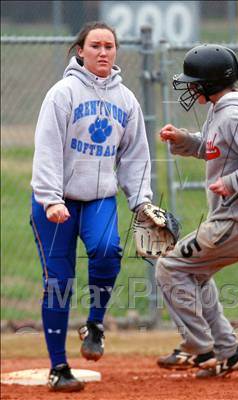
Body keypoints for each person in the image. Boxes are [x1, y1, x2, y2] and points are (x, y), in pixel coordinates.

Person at [30, 21, 153, 392]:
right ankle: (59, 367)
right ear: (80, 51)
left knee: (106, 250)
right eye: (96, 45)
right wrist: (50, 199)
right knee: (59, 283)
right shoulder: (62, 93)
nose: (103, 52)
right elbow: (47, 148)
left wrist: (141, 201)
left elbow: (135, 156)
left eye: (110, 46)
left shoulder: (126, 100)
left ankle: (95, 324)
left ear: (116, 52)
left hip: (98, 197)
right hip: (57, 202)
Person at [156, 44, 238, 378]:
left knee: (169, 268)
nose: (191, 87)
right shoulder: (222, 110)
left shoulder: (234, 114)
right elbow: (216, 147)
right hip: (234, 220)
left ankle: (201, 346)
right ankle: (228, 351)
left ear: (213, 82)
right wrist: (185, 140)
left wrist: (233, 182)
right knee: (193, 274)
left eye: (195, 81)